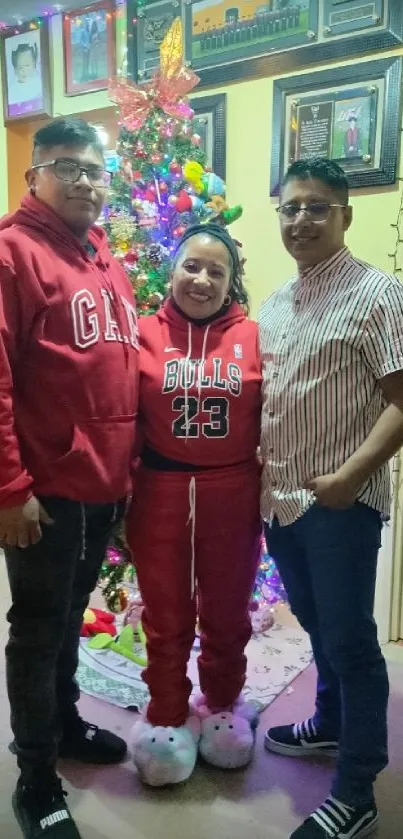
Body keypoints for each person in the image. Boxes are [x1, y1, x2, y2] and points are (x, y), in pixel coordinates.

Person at [0, 117, 139, 839]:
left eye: (95, 169)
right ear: (35, 178)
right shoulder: (11, 252)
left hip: (103, 483)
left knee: (69, 622)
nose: (86, 181)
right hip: (44, 492)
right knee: (37, 630)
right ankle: (35, 779)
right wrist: (9, 488)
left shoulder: (102, 257)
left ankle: (64, 722)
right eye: (67, 167)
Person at [260, 157, 403, 839]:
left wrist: (350, 475)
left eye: (317, 207)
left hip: (340, 504)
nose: (301, 220)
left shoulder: (378, 293)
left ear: (345, 214)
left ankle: (357, 789)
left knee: (350, 643)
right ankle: (329, 723)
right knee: (317, 627)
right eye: (290, 207)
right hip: (280, 503)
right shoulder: (276, 302)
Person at [126, 223, 262, 787]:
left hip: (233, 491)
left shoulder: (256, 335)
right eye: (192, 266)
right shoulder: (139, 333)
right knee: (165, 615)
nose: (202, 279)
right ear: (172, 269)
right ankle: (165, 715)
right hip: (158, 491)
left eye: (217, 270)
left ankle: (223, 706)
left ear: (231, 283)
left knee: (228, 610)